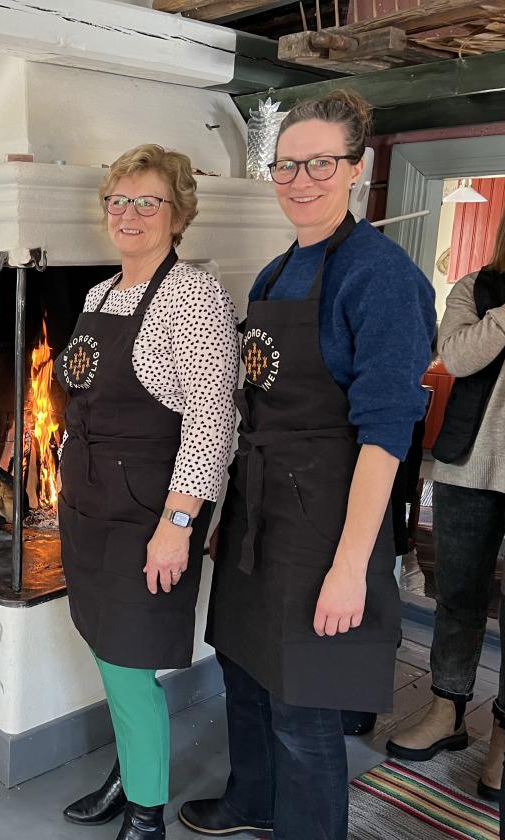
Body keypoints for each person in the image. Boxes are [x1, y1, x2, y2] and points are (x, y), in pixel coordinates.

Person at [179, 90, 435, 840]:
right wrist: (229, 514)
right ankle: (252, 801)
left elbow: (386, 435)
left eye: (320, 163)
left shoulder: (380, 278)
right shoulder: (275, 273)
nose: (300, 180)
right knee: (242, 668)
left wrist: (352, 567)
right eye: (287, 165)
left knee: (303, 708)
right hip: (259, 507)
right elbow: (255, 408)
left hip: (328, 520)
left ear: (355, 168)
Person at [56, 144, 238, 840]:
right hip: (89, 506)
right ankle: (132, 771)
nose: (128, 214)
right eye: (118, 201)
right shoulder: (98, 295)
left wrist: (178, 524)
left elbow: (211, 421)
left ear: (178, 213)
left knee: (128, 661)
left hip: (148, 514)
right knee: (108, 650)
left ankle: (145, 815)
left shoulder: (193, 296)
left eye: (147, 202)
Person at [386, 210, 505, 802]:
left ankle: (504, 738)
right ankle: (447, 710)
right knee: (457, 594)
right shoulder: (476, 288)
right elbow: (454, 357)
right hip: (466, 468)